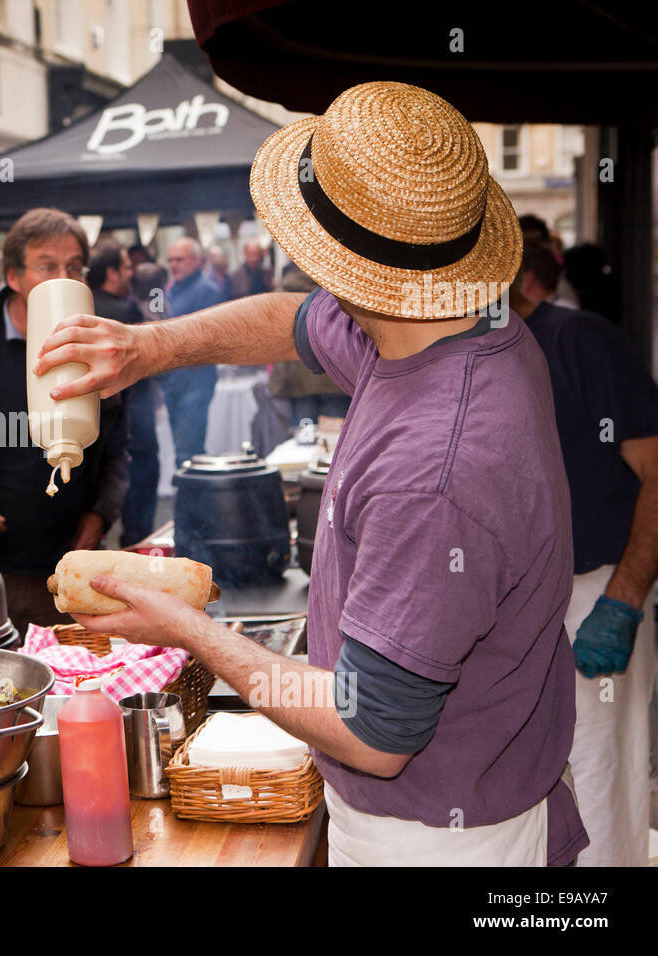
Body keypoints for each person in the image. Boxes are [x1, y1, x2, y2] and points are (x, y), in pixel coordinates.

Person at [35, 81, 586, 866]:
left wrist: (188, 629)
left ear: (351, 269)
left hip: (438, 841)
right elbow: (290, 318)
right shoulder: (453, 319)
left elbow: (371, 732)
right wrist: (148, 347)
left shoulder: (436, 472)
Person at [511, 239, 658, 866]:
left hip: (592, 595)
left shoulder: (581, 340)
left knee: (599, 787)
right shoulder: (465, 356)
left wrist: (623, 599)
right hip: (504, 612)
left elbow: (656, 471)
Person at [0, 208, 129, 637]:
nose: (63, 279)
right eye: (47, 266)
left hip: (67, 573)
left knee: (70, 677)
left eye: (74, 267)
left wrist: (100, 515)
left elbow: (118, 449)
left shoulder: (99, 348)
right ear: (13, 277)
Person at [88, 240, 155, 547]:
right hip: (129, 416)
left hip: (93, 419)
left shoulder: (82, 309)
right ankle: (138, 548)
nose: (132, 272)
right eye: (126, 267)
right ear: (111, 273)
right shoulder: (125, 310)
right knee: (138, 483)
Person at [159, 237, 222, 465]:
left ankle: (190, 489)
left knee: (188, 452)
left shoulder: (207, 291)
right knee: (182, 449)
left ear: (196, 261)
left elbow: (208, 338)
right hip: (173, 380)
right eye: (170, 260)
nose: (173, 265)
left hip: (196, 380)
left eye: (179, 259)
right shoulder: (170, 291)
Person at [266, 266, 351, 427]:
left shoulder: (284, 291)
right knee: (336, 434)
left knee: (303, 433)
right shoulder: (341, 290)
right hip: (336, 377)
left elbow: (275, 333)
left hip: (298, 381)